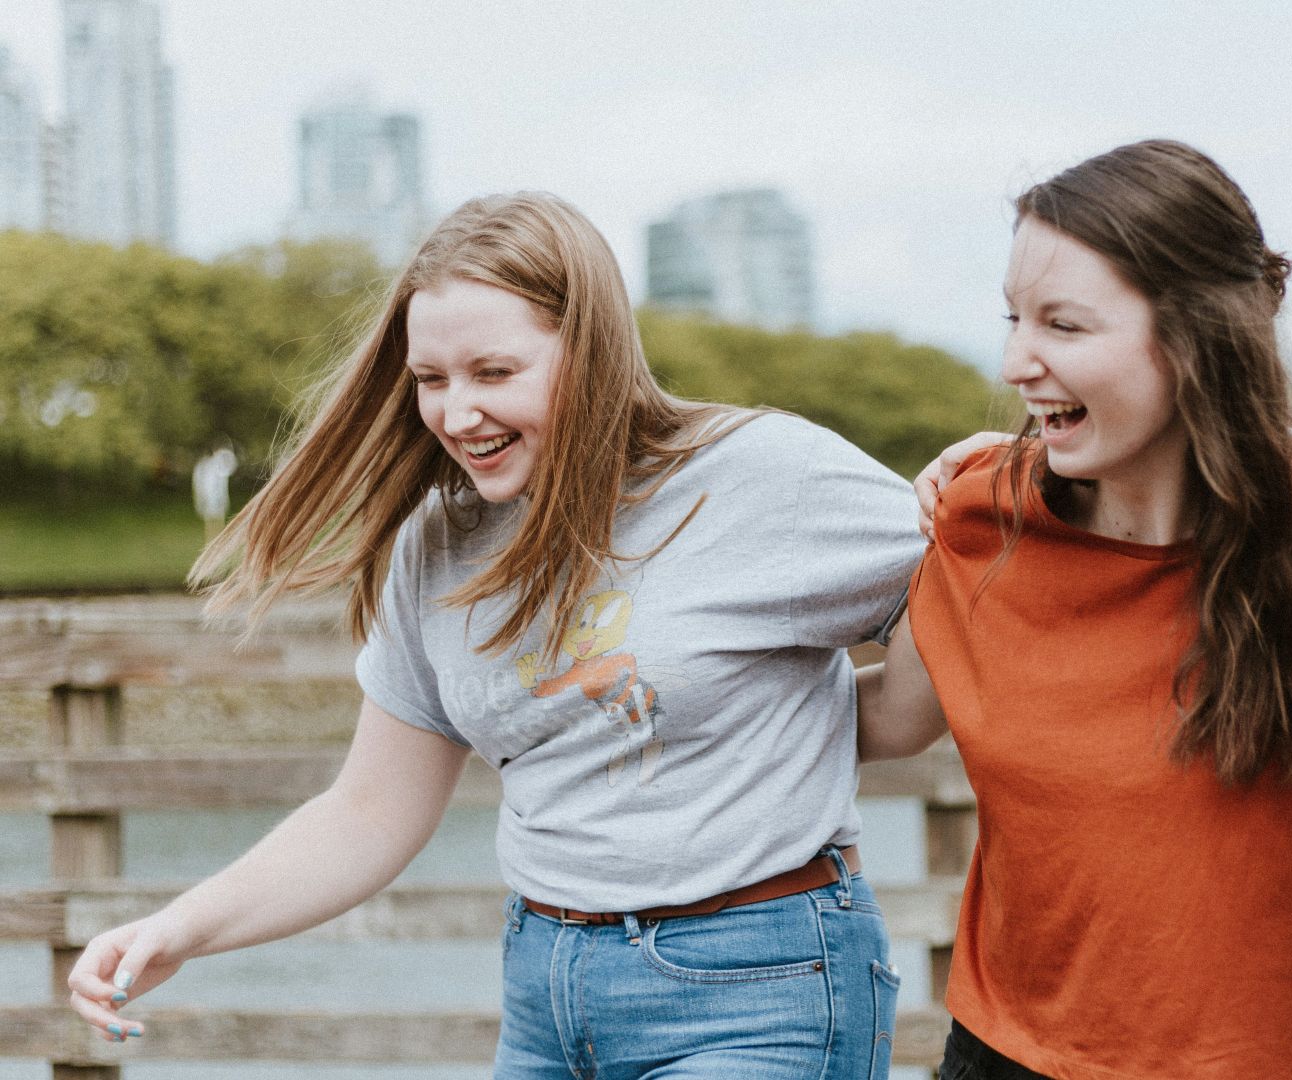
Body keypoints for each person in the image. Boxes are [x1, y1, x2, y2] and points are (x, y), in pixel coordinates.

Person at [64, 192, 923, 1079]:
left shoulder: (758, 476)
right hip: (547, 993)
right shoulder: (438, 543)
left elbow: (967, 589)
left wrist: (837, 715)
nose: (456, 413)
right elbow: (368, 813)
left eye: (494, 372)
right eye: (431, 380)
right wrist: (177, 930)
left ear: (588, 352)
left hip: (761, 988)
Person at [859, 140, 1292, 1079]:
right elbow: (884, 720)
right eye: (1014, 319)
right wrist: (649, 686)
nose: (1017, 361)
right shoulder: (982, 516)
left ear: (1197, 336)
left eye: (1064, 325)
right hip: (996, 1059)